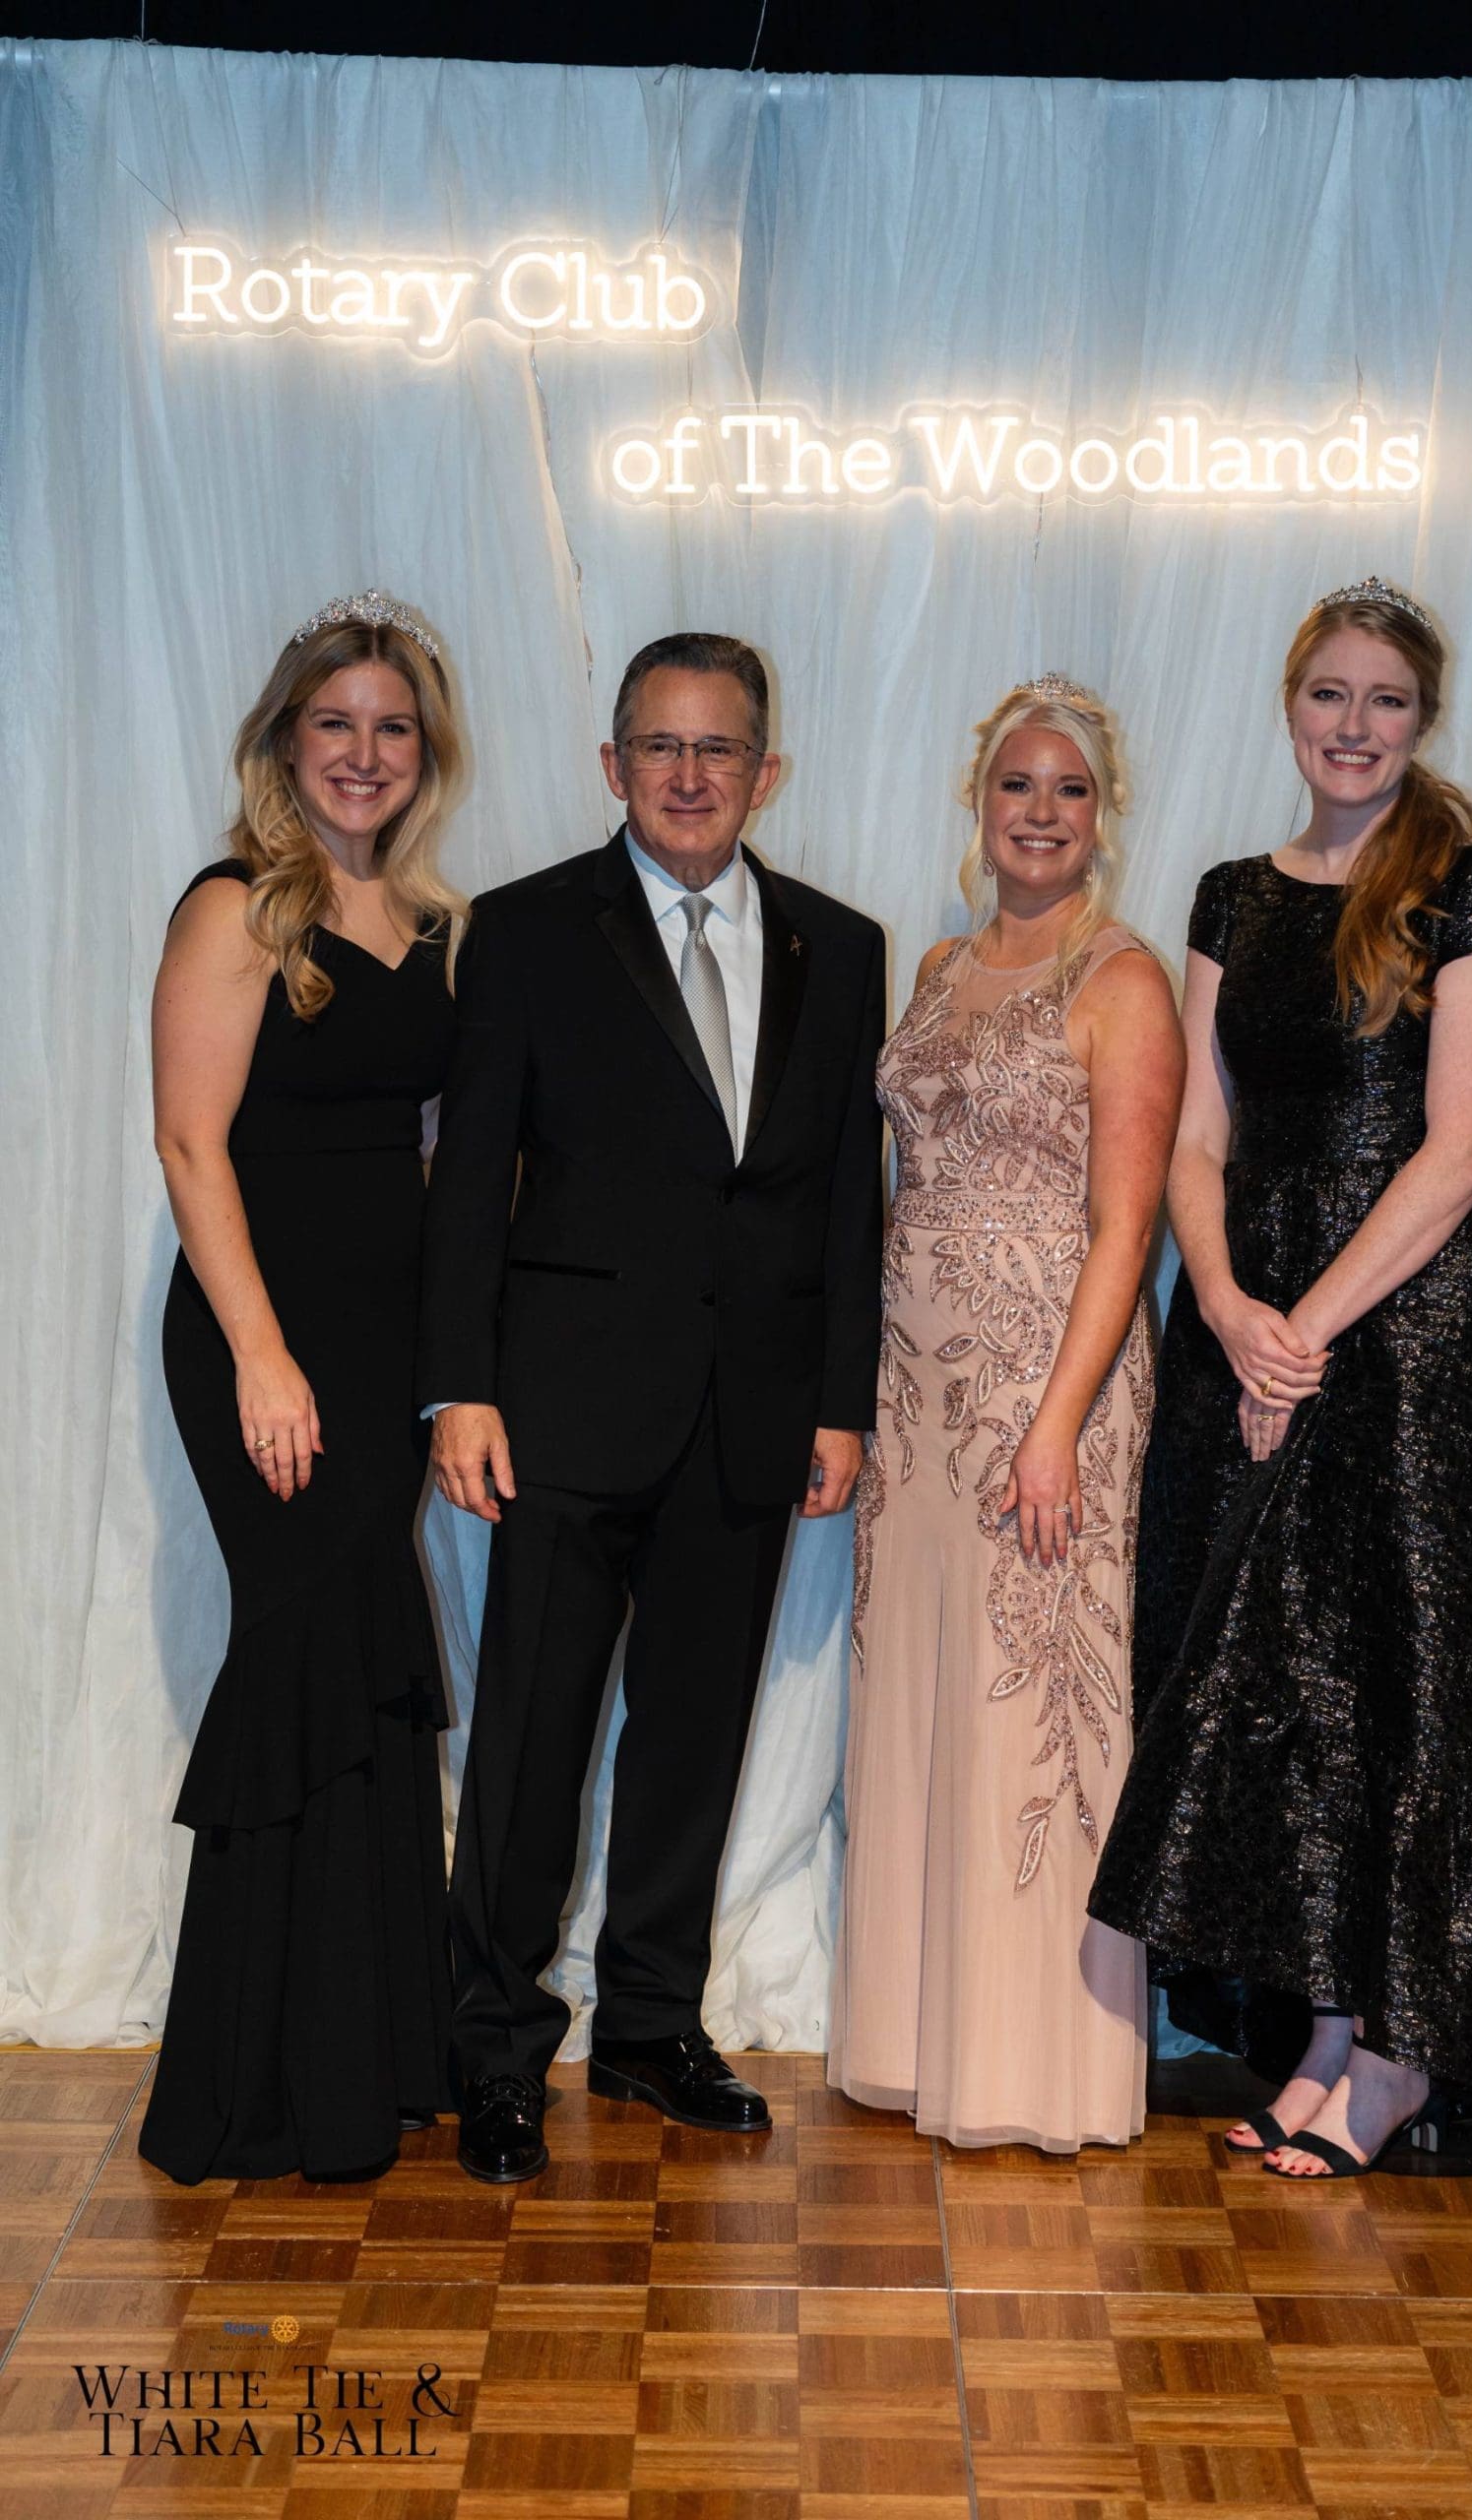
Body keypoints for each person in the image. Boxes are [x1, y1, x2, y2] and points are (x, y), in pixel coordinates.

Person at [1089, 579, 1472, 2181]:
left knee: (1408, 1680)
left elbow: (1459, 1153)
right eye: (1329, 694)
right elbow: (1199, 1134)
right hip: (1248, 1314)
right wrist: (1229, 1306)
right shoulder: (1231, 896)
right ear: (1291, 706)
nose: (1354, 724)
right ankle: (1327, 2036)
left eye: (1385, 699)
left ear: (1423, 717)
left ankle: (1403, 2057)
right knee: (1288, 1686)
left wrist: (1305, 1332)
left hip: (1408, 1335)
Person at [421, 631, 885, 2183]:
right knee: (530, 1746)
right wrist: (460, 1387)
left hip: (751, 1414)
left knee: (694, 1738)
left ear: (768, 770)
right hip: (560, 1408)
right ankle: (495, 2050)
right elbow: (470, 1177)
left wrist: (839, 1404)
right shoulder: (524, 929)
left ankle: (649, 2025)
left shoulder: (842, 947)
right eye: (662, 748)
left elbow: (846, 1199)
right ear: (612, 765)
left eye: (720, 748)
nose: (691, 776)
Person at [827, 675, 1184, 2151]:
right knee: (927, 1693)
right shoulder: (935, 967)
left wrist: (1054, 1428)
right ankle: (917, 2037)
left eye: (1070, 790)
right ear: (979, 804)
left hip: (1049, 1390)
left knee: (1030, 1709)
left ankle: (1040, 2067)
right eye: (1016, 785)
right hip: (917, 1399)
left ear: (1104, 815)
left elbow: (1127, 1227)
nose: (1041, 812)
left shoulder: (1124, 981)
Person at [140, 592, 466, 2184]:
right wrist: (264, 1357)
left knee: (361, 1659)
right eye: (334, 723)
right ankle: (247, 2088)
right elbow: (191, 1144)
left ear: (425, 754)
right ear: (285, 740)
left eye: (391, 727)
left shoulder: (435, 925)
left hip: (384, 1348)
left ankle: (365, 2058)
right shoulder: (237, 908)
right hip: (259, 1341)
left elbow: (436, 1152)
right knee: (302, 1657)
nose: (363, 752)